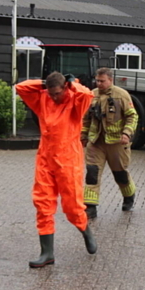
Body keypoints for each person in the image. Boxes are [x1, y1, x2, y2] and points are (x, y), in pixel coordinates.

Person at [15, 72, 97, 268]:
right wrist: (44, 83)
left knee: (72, 207)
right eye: (51, 93)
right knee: (42, 203)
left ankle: (85, 230)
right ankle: (47, 253)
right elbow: (22, 87)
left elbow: (87, 95)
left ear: (65, 89)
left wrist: (73, 83)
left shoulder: (75, 101)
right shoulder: (44, 98)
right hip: (45, 158)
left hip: (69, 159)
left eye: (57, 93)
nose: (54, 97)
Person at [81, 67, 139, 217]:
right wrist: (83, 136)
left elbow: (132, 116)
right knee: (92, 173)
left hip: (117, 143)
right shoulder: (91, 96)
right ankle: (90, 207)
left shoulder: (121, 95)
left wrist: (126, 133)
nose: (98, 83)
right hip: (96, 142)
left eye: (102, 81)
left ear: (110, 80)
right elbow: (86, 119)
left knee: (120, 174)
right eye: (97, 80)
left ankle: (128, 197)